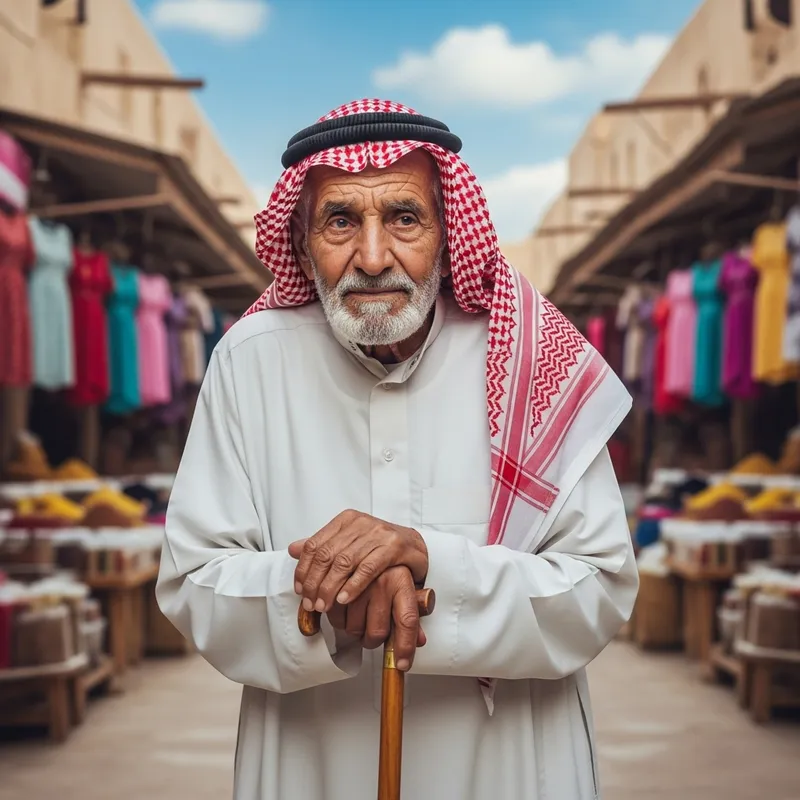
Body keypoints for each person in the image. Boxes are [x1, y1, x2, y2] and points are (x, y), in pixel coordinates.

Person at [157, 99, 639, 800]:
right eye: (342, 220)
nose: (374, 256)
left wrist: (431, 563)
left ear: (448, 231)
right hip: (312, 762)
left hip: (507, 765)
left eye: (404, 218)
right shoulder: (249, 362)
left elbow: (600, 584)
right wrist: (327, 594)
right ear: (300, 241)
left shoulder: (535, 359)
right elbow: (193, 577)